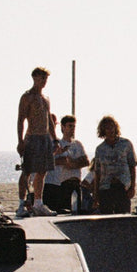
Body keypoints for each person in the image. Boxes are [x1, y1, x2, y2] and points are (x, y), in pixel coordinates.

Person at [16, 67, 57, 217]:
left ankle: (38, 203)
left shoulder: (45, 98)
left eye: (45, 79)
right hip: (32, 137)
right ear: (34, 78)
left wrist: (55, 138)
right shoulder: (27, 97)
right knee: (27, 170)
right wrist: (20, 141)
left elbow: (49, 120)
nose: (44, 82)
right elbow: (21, 119)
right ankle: (22, 204)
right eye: (41, 78)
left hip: (45, 137)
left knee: (42, 171)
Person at [91, 116, 137, 214]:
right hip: (105, 188)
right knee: (106, 219)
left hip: (122, 186)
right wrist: (96, 195)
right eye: (107, 128)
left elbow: (132, 166)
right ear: (103, 130)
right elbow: (97, 173)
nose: (110, 130)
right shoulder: (100, 149)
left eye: (112, 127)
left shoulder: (126, 144)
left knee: (123, 217)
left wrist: (132, 187)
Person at [44, 115, 88, 214]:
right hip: (62, 183)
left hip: (76, 182)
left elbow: (85, 161)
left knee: (76, 210)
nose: (72, 129)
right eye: (70, 126)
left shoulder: (77, 144)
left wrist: (72, 163)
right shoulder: (58, 144)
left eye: (74, 126)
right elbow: (57, 161)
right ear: (63, 127)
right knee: (64, 211)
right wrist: (66, 161)